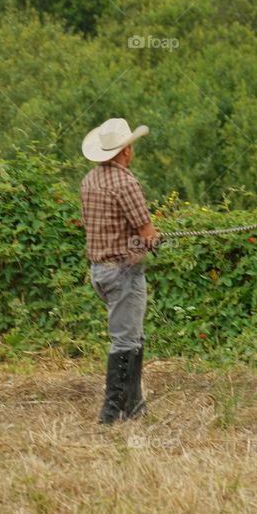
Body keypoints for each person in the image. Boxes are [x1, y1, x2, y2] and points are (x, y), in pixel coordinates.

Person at [80, 118, 160, 424]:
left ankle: (135, 404)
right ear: (125, 151)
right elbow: (147, 232)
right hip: (123, 272)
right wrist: (153, 239)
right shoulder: (126, 183)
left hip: (99, 271)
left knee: (131, 335)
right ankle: (111, 410)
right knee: (125, 341)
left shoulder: (89, 180)